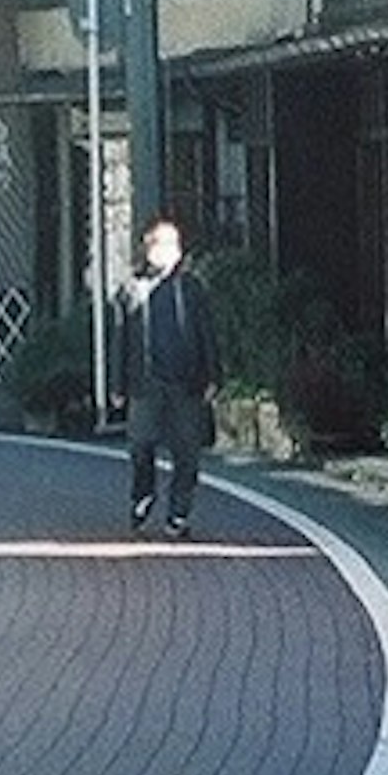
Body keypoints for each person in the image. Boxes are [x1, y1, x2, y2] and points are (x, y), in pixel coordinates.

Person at [123, 216, 219, 540]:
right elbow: (120, 340)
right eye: (161, 244)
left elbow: (207, 333)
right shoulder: (133, 289)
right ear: (147, 247)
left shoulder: (191, 288)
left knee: (187, 451)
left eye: (173, 245)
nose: (169, 251)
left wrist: (212, 375)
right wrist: (117, 385)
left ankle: (178, 514)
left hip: (186, 381)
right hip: (146, 381)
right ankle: (143, 493)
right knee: (140, 445)